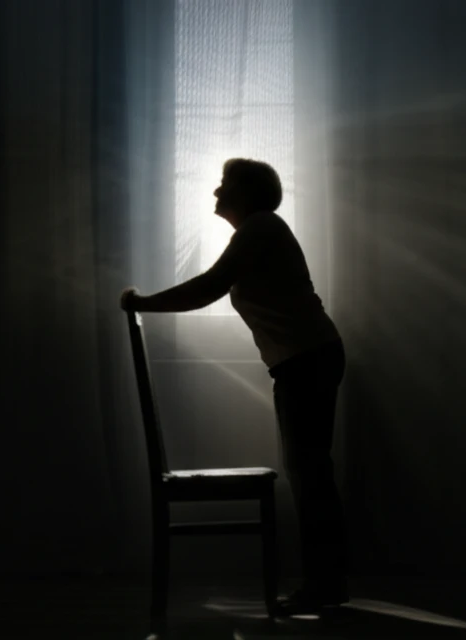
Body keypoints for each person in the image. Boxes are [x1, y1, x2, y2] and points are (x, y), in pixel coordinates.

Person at [120, 158, 348, 616]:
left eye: (224, 185)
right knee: (309, 475)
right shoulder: (257, 232)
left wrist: (142, 303)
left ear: (246, 193)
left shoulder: (261, 228)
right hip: (304, 359)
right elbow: (214, 288)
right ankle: (326, 585)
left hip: (307, 360)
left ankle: (324, 586)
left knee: (309, 476)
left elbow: (209, 287)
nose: (215, 193)